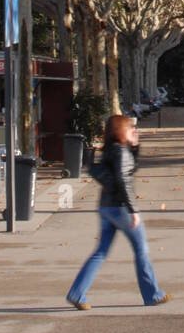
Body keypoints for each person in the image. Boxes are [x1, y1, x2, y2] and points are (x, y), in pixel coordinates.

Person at [66, 114, 171, 311]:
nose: (134, 131)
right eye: (130, 128)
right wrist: (133, 211)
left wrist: (135, 146)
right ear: (121, 131)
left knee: (101, 252)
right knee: (141, 250)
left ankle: (77, 292)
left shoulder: (113, 151)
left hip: (106, 207)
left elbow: (130, 169)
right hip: (121, 208)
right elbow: (124, 181)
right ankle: (153, 294)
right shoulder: (121, 152)